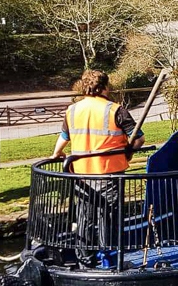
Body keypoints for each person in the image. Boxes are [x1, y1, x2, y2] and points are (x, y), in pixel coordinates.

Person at [51, 70, 146, 266]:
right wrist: (128, 150)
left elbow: (64, 136)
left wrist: (57, 153)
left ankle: (84, 259)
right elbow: (139, 139)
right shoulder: (115, 110)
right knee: (108, 217)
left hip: (81, 174)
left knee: (85, 216)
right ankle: (109, 259)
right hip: (108, 173)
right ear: (105, 87)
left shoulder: (72, 110)